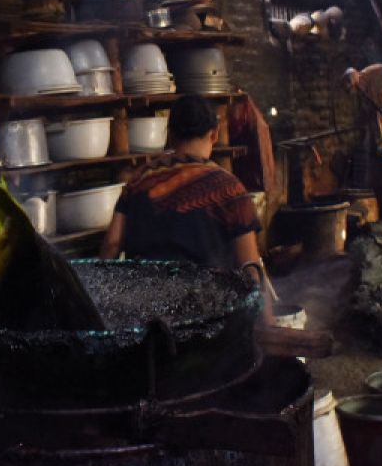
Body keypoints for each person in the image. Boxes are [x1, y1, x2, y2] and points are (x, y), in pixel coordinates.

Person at [99, 95, 274, 318]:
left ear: (170, 135)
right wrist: (267, 323)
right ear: (214, 134)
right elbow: (250, 267)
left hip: (148, 314)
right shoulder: (229, 188)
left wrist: (104, 303)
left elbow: (112, 244)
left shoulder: (139, 180)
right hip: (207, 317)